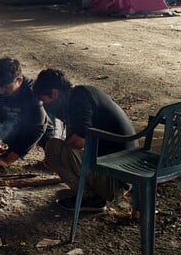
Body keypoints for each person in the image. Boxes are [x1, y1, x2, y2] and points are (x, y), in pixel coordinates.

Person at [32, 68, 138, 212]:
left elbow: (79, 142)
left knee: (53, 147)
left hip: (116, 180)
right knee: (58, 150)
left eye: (45, 101)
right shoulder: (81, 93)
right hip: (126, 172)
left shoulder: (77, 100)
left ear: (55, 93)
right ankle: (89, 193)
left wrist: (57, 158)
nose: (46, 106)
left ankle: (91, 198)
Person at [0, 57, 61, 169]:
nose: (1, 91)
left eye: (6, 87)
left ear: (19, 80)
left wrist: (7, 161)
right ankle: (11, 149)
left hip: (41, 128)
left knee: (54, 157)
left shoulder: (33, 92)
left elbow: (38, 128)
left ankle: (48, 155)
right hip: (13, 124)